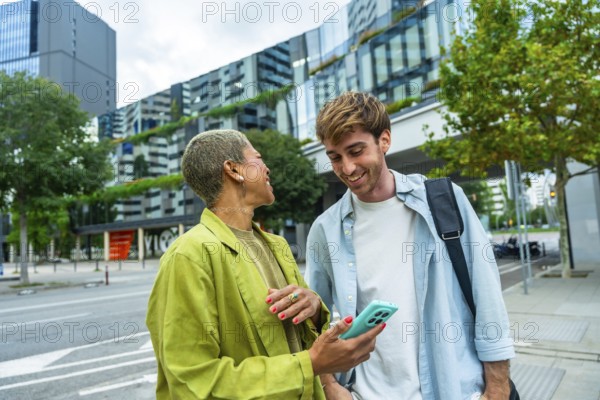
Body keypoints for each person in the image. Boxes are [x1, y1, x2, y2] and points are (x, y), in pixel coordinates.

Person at [305, 92, 516, 400]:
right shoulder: (326, 229)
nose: (347, 168)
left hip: (454, 391)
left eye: (356, 151)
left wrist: (497, 387)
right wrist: (330, 387)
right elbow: (316, 323)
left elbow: (488, 295)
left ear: (384, 140)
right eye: (335, 157)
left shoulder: (444, 200)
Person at [146, 129, 384, 399]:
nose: (267, 168)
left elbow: (305, 339)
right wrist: (309, 365)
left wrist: (315, 308)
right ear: (234, 170)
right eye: (258, 158)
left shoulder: (278, 246)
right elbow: (193, 381)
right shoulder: (188, 256)